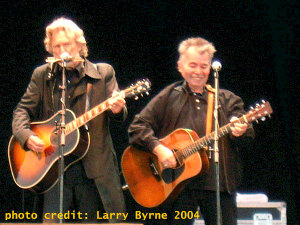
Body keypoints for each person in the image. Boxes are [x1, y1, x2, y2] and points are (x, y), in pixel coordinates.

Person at [128, 37, 255, 225]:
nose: (198, 71)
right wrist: (159, 149)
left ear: (211, 68)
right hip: (179, 186)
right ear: (180, 66)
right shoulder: (169, 96)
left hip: (218, 186)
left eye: (204, 66)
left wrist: (241, 130)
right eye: (192, 65)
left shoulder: (228, 100)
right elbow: (138, 127)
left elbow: (248, 136)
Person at [12, 17, 126, 223]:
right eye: (57, 46)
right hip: (54, 167)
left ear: (80, 46)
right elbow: (22, 110)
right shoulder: (42, 75)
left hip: (94, 169)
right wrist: (26, 136)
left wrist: (118, 109)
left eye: (67, 44)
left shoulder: (103, 73)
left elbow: (118, 115)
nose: (62, 50)